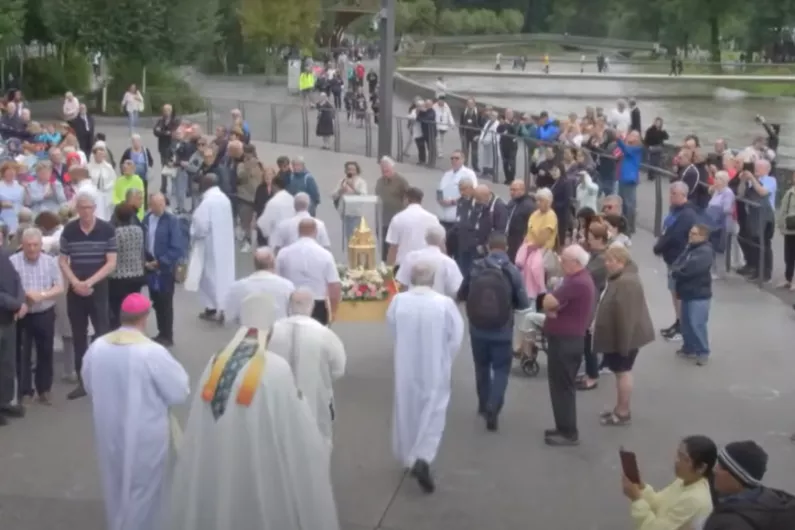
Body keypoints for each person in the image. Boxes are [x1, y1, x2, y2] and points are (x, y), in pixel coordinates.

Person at [164, 294, 340, 530]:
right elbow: (296, 428)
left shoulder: (215, 362)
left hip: (220, 457)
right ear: (270, 333)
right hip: (260, 458)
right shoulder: (276, 369)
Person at [82, 293, 190, 530]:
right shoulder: (152, 352)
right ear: (145, 317)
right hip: (145, 432)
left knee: (115, 481)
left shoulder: (98, 346)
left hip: (108, 428)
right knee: (144, 488)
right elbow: (179, 391)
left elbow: (89, 384)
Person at [388, 260, 464, 493]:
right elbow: (456, 335)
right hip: (435, 363)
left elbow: (392, 328)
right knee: (434, 408)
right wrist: (446, 359)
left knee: (407, 408)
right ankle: (422, 456)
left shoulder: (399, 301)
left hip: (406, 364)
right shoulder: (444, 304)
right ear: (433, 280)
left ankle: (409, 455)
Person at [457, 232, 530, 431]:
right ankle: (494, 405)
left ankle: (483, 405)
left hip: (478, 328)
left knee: (481, 367)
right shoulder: (511, 270)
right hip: (502, 329)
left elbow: (462, 294)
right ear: (506, 248)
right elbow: (523, 303)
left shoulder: (476, 267)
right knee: (500, 369)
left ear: (488, 247)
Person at [268, 288, 346, 447]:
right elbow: (339, 369)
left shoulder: (272, 331)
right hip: (315, 399)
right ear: (311, 307)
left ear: (289, 307)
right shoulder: (324, 333)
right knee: (316, 442)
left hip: (278, 400)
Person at [59, 191, 117, 400]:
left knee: (102, 333)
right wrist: (75, 282)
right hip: (76, 288)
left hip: (98, 287)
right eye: (81, 207)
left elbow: (111, 262)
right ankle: (83, 381)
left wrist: (90, 282)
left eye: (88, 207)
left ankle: (102, 379)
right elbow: (63, 260)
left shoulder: (107, 229)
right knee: (78, 335)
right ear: (76, 209)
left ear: (94, 208)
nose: (84, 211)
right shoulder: (69, 230)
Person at [540, 244, 596, 446]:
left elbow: (548, 302)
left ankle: (568, 431)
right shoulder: (577, 279)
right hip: (566, 338)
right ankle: (562, 426)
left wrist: (550, 306)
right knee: (559, 386)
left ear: (576, 263)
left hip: (566, 341)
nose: (561, 262)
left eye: (564, 260)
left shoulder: (576, 282)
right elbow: (552, 305)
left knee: (563, 387)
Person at [592, 245, 654, 426]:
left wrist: (623, 345)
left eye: (610, 261)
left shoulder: (626, 283)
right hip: (623, 337)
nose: (607, 264)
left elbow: (627, 317)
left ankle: (623, 411)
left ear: (621, 261)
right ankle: (620, 408)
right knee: (620, 373)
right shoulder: (621, 277)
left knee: (623, 373)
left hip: (626, 339)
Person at [9, 227, 64, 405]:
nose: (32, 249)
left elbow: (59, 287)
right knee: (22, 353)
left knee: (45, 352)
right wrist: (23, 300)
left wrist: (40, 295)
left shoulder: (50, 261)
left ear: (41, 245)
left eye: (35, 245)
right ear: (21, 245)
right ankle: (25, 391)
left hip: (44, 312)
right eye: (28, 245)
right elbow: (8, 288)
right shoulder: (13, 262)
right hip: (22, 313)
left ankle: (44, 389)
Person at [622, 435, 717, 530]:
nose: (676, 461)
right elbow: (659, 504)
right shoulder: (683, 481)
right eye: (678, 455)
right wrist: (641, 487)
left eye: (683, 458)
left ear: (701, 468)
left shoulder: (694, 499)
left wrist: (637, 499)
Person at [704, 440, 795, 529]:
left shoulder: (725, 523)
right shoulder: (780, 504)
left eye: (721, 467)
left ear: (738, 477)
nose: (714, 470)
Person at [185, 173, 235, 323]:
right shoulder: (224, 199)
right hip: (224, 244)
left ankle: (215, 308)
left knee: (208, 277)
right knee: (223, 276)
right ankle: (223, 306)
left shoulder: (207, 202)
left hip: (209, 245)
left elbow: (200, 225)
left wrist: (192, 232)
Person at [654, 182, 699, 342]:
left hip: (679, 259)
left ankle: (683, 327)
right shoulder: (676, 211)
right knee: (674, 293)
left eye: (674, 193)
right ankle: (678, 322)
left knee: (679, 294)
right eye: (670, 193)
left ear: (683, 195)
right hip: (671, 258)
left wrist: (659, 247)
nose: (670, 196)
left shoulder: (687, 214)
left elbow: (675, 236)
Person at [275, 219, 341, 325]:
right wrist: (333, 312)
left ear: (298, 231)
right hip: (317, 304)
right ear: (316, 232)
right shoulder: (325, 255)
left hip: (291, 302)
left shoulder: (284, 253)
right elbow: (334, 285)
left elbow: (276, 279)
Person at [143, 193, 185, 347]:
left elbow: (177, 247)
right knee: (156, 301)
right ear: (150, 205)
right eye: (156, 205)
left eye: (162, 204)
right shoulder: (147, 219)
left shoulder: (171, 221)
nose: (160, 207)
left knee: (165, 302)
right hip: (150, 267)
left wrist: (160, 262)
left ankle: (167, 335)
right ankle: (161, 333)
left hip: (164, 270)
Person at [671, 224, 714, 366]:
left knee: (697, 323)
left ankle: (703, 351)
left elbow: (690, 269)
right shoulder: (690, 248)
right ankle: (689, 348)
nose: (690, 236)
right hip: (688, 291)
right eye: (690, 233)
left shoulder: (704, 252)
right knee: (687, 323)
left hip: (699, 293)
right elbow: (678, 263)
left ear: (703, 236)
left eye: (694, 234)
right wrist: (677, 269)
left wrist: (677, 272)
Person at [224, 247, 295, 325]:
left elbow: (229, 317)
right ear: (274, 263)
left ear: (255, 264)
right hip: (278, 334)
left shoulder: (237, 287)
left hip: (249, 334)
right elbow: (293, 315)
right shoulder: (287, 286)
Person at [396, 224, 462, 297]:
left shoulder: (411, 257)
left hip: (411, 303)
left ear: (425, 238)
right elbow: (455, 290)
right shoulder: (449, 263)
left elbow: (402, 283)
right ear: (443, 240)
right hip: (438, 305)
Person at [108, 203, 146, 330]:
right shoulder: (138, 231)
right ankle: (134, 329)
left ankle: (119, 332)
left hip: (118, 277)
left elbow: (113, 254)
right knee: (133, 307)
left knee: (118, 309)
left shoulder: (115, 233)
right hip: (137, 275)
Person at [386, 187, 441, 271]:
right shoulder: (433, 218)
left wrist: (388, 269)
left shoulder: (398, 218)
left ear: (406, 199)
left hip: (403, 266)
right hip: (427, 264)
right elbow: (439, 243)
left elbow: (393, 247)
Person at [0, 244, 25, 425]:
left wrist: (21, 301)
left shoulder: (4, 257)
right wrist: (16, 303)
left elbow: (17, 280)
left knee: (7, 364)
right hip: (7, 310)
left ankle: (4, 402)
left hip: (8, 318)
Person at [375, 157, 410, 260]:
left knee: (394, 246)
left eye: (387, 169)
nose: (384, 171)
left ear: (392, 168)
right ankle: (384, 267)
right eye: (382, 169)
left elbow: (409, 196)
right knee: (383, 246)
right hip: (382, 219)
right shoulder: (379, 181)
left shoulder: (401, 181)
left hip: (396, 218)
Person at [256, 175, 294, 243]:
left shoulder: (273, 202)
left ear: (274, 186)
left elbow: (264, 223)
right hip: (290, 236)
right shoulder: (292, 199)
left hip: (277, 238)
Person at [505, 180, 535, 262]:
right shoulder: (512, 202)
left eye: (514, 190)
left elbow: (532, 226)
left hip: (520, 240)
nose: (511, 192)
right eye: (511, 189)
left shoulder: (529, 206)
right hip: (509, 239)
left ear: (522, 190)